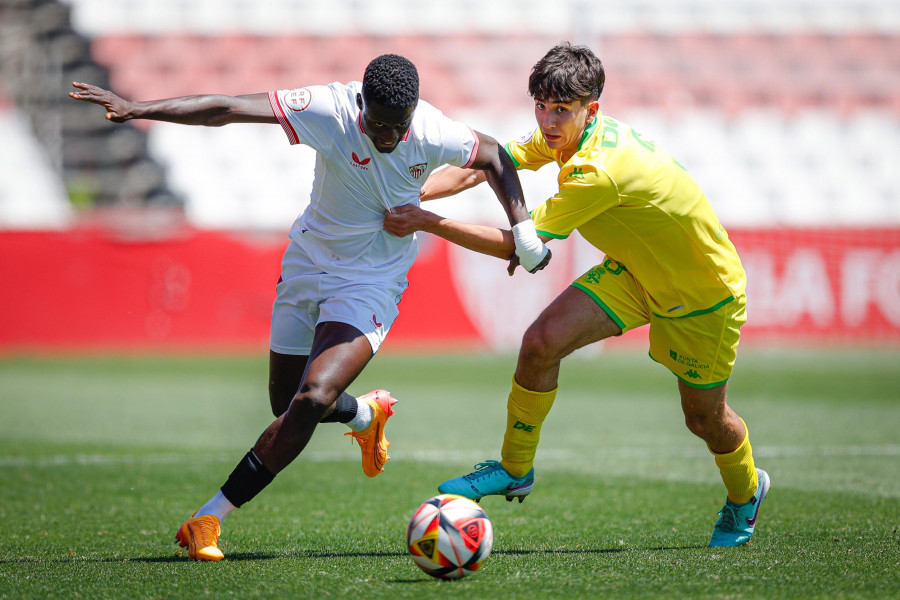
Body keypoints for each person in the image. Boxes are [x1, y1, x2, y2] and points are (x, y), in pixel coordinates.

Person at [69, 53, 550, 561]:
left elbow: (496, 155)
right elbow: (228, 108)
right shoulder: (330, 110)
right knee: (287, 403)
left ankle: (209, 518)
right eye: (379, 126)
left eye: (398, 128)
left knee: (312, 395)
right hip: (307, 263)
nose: (388, 137)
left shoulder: (432, 131)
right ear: (361, 105)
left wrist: (522, 229)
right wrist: (138, 108)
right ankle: (365, 413)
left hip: (371, 281)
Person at [383, 43, 769, 548]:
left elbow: (517, 245)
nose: (547, 120)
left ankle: (745, 496)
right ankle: (515, 468)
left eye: (560, 110)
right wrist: (413, 193)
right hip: (635, 274)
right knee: (540, 342)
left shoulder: (597, 169)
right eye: (540, 105)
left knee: (703, 419)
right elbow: (488, 163)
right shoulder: (565, 134)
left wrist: (425, 221)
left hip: (701, 293)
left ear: (592, 110)